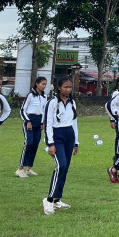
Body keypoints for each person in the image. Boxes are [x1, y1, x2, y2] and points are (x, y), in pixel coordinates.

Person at [42, 76, 78, 214]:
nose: (68, 90)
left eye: (70, 87)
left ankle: (57, 199)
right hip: (57, 136)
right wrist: (50, 143)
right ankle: (49, 199)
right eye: (65, 87)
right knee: (60, 165)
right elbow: (48, 123)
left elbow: (74, 122)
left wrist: (76, 142)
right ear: (59, 88)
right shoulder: (51, 103)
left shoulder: (72, 102)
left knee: (65, 168)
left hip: (69, 135)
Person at [16, 76, 47, 178]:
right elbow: (23, 110)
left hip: (39, 122)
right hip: (30, 120)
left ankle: (29, 168)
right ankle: (20, 169)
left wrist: (42, 123)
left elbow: (44, 111)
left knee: (35, 144)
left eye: (45, 84)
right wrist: (27, 121)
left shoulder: (44, 97)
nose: (44, 86)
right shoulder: (30, 95)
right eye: (42, 84)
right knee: (29, 143)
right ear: (37, 84)